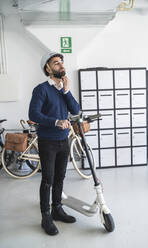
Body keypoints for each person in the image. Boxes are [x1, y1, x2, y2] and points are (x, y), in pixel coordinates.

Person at [29, 51, 80, 235]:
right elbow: (33, 114)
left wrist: (66, 91)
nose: (61, 66)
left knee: (60, 177)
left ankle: (57, 209)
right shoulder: (41, 89)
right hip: (48, 141)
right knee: (48, 179)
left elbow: (76, 110)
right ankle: (46, 216)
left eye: (62, 62)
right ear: (48, 68)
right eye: (56, 63)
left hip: (63, 141)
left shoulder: (62, 89)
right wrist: (56, 122)